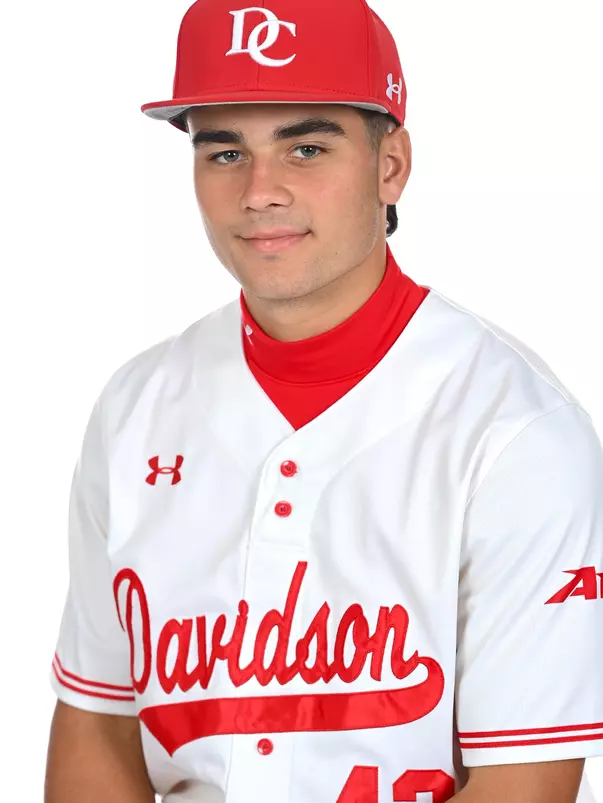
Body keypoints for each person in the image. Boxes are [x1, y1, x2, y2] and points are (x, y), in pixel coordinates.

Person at [44, 1, 603, 802]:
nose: (259, 191)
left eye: (305, 148)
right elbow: (99, 723)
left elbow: (524, 783)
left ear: (390, 165)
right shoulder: (135, 407)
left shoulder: (516, 430)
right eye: (224, 151)